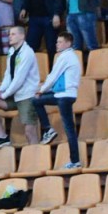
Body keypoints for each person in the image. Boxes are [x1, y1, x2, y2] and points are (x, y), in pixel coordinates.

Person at [0, 26, 41, 150]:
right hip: (14, 94)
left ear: (22, 36)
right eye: (9, 34)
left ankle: (37, 157)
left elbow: (19, 78)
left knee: (29, 132)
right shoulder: (11, 51)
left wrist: (4, 94)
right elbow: (8, 74)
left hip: (27, 96)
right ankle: (2, 136)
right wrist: (1, 90)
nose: (9, 36)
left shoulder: (27, 53)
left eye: (13, 34)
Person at [33, 32, 83, 170]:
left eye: (60, 42)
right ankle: (48, 129)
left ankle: (75, 160)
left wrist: (42, 90)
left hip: (64, 95)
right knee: (36, 101)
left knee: (69, 129)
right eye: (57, 42)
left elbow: (53, 76)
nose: (57, 44)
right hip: (65, 94)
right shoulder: (71, 56)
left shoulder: (65, 56)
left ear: (68, 43)